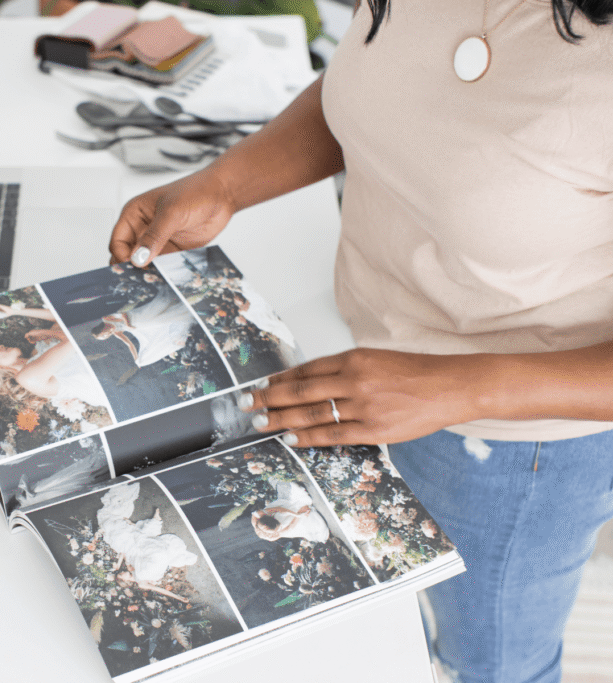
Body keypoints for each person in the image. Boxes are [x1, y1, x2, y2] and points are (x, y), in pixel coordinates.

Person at [107, 1, 613, 681]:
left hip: (516, 444)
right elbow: (387, 91)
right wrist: (224, 184)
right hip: (361, 364)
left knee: (489, 662)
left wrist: (449, 383)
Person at [0, 305, 108, 410]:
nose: (0, 346)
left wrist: (15, 311)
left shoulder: (38, 350)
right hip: (111, 383)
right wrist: (47, 333)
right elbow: (73, 342)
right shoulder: (26, 378)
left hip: (107, 353)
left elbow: (62, 317)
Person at [90, 286, 197, 368]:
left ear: (101, 330)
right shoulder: (116, 333)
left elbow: (123, 314)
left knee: (160, 312)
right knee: (159, 324)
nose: (105, 336)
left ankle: (183, 301)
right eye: (104, 337)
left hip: (136, 317)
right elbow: (129, 344)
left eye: (103, 335)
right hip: (138, 325)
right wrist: (136, 359)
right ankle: (185, 314)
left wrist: (127, 325)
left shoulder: (106, 319)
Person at [250, 481, 330, 544]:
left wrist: (295, 513)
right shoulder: (273, 536)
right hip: (285, 526)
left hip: (280, 508)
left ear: (269, 516)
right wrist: (299, 514)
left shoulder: (258, 516)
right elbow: (290, 527)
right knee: (312, 524)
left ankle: (292, 505)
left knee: (295, 491)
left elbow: (278, 509)